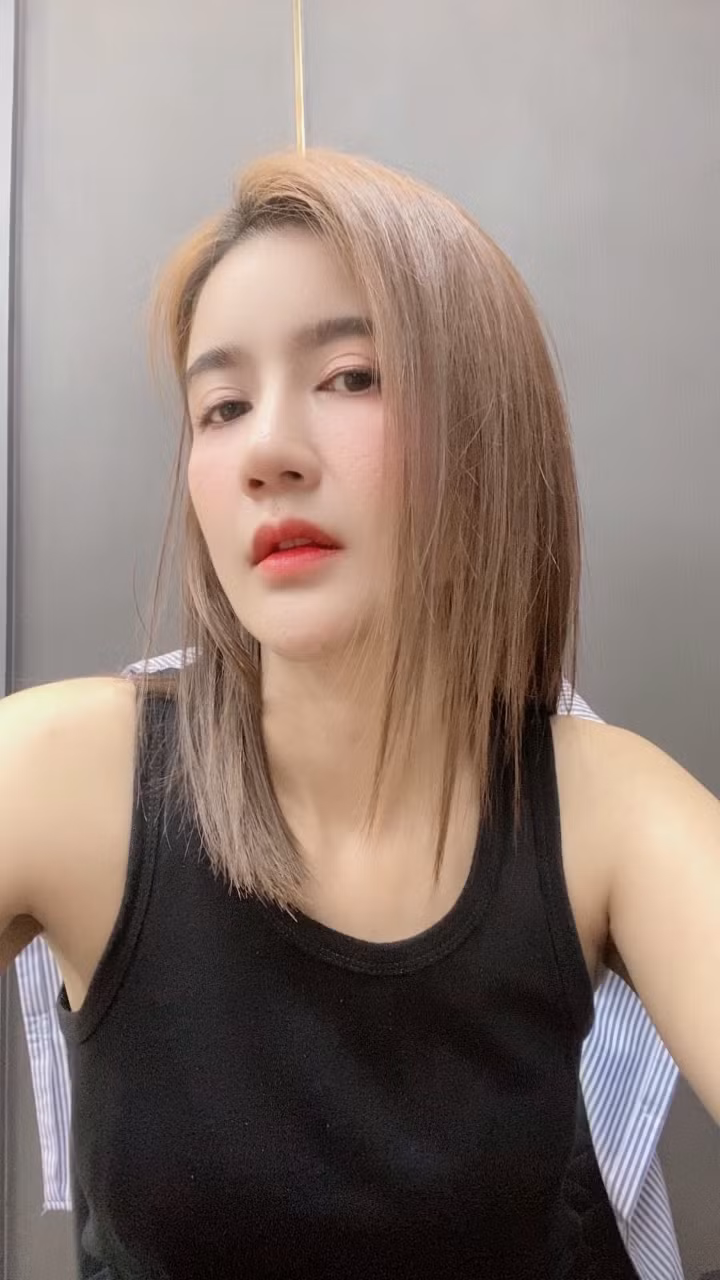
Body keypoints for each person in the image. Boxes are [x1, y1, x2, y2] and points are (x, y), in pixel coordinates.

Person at [1, 148, 718, 1279]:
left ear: (485, 429)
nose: (268, 453)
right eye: (222, 406)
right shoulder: (55, 773)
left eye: (350, 378)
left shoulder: (612, 808)